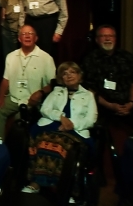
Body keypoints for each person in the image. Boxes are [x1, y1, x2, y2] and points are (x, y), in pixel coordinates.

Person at [23, 62, 97, 195]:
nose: (69, 76)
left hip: (76, 131)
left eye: (72, 72)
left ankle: (66, 189)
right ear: (61, 78)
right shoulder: (57, 91)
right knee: (44, 142)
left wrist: (71, 124)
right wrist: (61, 117)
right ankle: (36, 183)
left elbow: (91, 119)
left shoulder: (88, 95)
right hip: (51, 125)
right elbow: (45, 109)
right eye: (65, 74)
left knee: (63, 146)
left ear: (80, 76)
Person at [80, 24, 133, 130]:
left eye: (110, 36)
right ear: (97, 40)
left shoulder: (127, 57)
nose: (107, 39)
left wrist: (131, 103)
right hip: (102, 107)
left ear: (115, 39)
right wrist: (110, 105)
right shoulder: (89, 60)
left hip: (128, 106)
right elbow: (88, 89)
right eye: (103, 36)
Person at [0, 25, 56, 138]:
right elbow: (6, 80)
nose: (27, 36)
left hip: (31, 101)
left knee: (19, 119)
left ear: (36, 38)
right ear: (19, 39)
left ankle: (13, 148)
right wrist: (0, 97)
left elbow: (52, 84)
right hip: (13, 98)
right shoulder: (11, 56)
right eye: (24, 34)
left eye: (31, 33)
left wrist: (40, 93)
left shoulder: (46, 58)